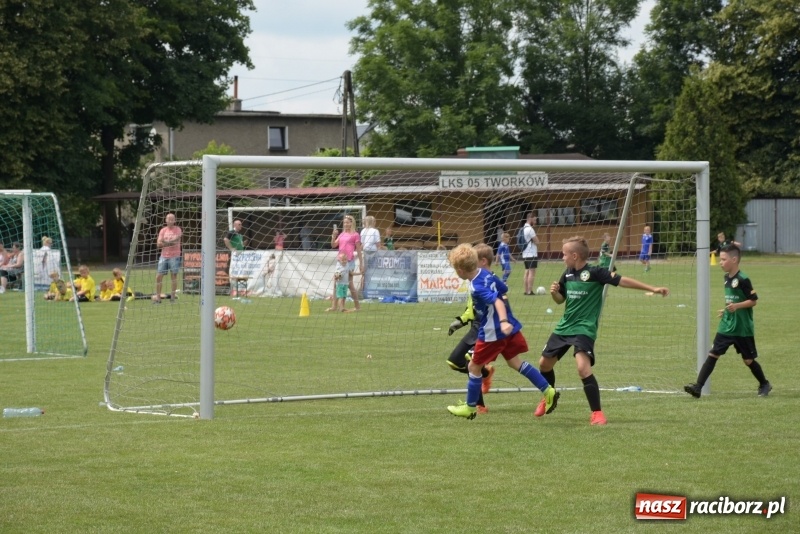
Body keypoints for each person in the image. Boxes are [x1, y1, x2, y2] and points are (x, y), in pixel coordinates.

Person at [535, 236, 669, 425]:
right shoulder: (567, 274)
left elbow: (622, 281)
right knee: (544, 364)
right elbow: (560, 300)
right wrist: (554, 293)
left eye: (564, 254)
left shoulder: (596, 272)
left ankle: (597, 413)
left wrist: (653, 288)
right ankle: (549, 396)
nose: (563, 258)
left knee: (582, 368)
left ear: (575, 256)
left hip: (584, 328)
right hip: (565, 326)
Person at [446, 243, 559, 420]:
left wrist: (503, 321)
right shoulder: (486, 273)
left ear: (460, 270)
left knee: (473, 366)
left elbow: (497, 301)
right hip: (507, 328)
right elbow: (503, 289)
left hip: (493, 331)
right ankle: (548, 390)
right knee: (515, 362)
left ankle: (470, 407)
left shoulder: (476, 286)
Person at [685, 244, 771, 398]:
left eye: (723, 259)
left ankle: (764, 384)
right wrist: (725, 310)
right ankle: (698, 387)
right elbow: (732, 300)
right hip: (727, 325)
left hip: (742, 328)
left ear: (734, 260)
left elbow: (753, 301)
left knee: (748, 360)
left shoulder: (743, 279)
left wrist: (736, 306)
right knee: (713, 354)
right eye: (720, 259)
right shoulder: (726, 278)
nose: (720, 262)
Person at [447, 244, 499, 414]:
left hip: (487, 328)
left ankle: (478, 405)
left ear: (482, 261)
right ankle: (485, 373)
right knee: (454, 361)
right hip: (474, 327)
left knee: (471, 361)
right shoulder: (474, 281)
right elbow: (472, 307)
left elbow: (499, 303)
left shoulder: (490, 280)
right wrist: (461, 321)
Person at [332, 214, 363, 311]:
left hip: (349, 262)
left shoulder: (355, 235)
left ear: (352, 223)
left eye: (347, 222)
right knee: (336, 282)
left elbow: (358, 250)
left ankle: (357, 306)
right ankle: (334, 307)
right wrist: (333, 236)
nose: (345, 224)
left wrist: (361, 263)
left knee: (350, 284)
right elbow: (333, 245)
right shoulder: (341, 234)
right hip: (340, 262)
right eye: (344, 223)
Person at [154, 213, 182, 304]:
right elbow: (158, 244)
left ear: (175, 220)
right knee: (158, 277)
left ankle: (172, 298)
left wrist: (164, 241)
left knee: (173, 276)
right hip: (164, 256)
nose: (170, 221)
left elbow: (175, 242)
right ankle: (158, 298)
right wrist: (168, 242)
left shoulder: (178, 229)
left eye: (172, 219)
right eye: (168, 219)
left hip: (175, 256)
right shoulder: (163, 230)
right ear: (165, 220)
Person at [521, 213, 540, 295]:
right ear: (530, 219)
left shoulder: (523, 228)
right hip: (531, 253)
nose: (535, 222)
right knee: (532, 272)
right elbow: (537, 241)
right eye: (534, 220)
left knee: (527, 271)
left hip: (525, 253)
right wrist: (537, 241)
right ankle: (529, 291)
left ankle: (526, 290)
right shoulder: (530, 229)